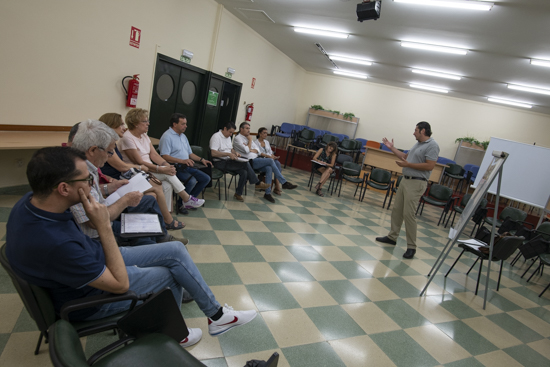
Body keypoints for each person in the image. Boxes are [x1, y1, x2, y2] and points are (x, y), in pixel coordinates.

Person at [5, 146, 257, 348]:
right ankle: (174, 333)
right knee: (171, 276)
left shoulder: (32, 201)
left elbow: (82, 231)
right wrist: (104, 226)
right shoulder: (57, 244)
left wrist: (104, 191)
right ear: (63, 188)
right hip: (90, 299)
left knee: (176, 251)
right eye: (87, 180)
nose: (92, 184)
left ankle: (217, 316)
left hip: (95, 259)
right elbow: (120, 285)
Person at [70, 120, 187, 245]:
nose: (109, 157)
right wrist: (125, 200)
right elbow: (94, 222)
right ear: (93, 150)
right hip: (99, 233)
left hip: (104, 214)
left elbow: (92, 192)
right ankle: (156, 243)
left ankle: (161, 237)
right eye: (109, 152)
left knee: (149, 202)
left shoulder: (86, 167)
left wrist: (109, 187)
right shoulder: (79, 175)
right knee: (149, 235)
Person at [97, 113, 184, 230]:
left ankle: (158, 223)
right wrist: (140, 167)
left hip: (119, 179)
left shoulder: (113, 144)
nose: (124, 127)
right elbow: (122, 167)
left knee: (155, 192)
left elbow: (153, 155)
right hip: (118, 182)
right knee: (157, 186)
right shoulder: (108, 146)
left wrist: (165, 166)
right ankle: (168, 220)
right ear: (111, 127)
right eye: (121, 124)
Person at [119, 108, 204, 212]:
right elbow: (139, 162)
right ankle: (186, 199)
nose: (148, 124)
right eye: (145, 121)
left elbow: (154, 154)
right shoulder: (127, 138)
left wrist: (167, 165)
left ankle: (167, 215)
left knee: (168, 185)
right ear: (136, 123)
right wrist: (161, 169)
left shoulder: (144, 135)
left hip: (148, 170)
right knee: (168, 174)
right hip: (136, 172)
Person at [375, 121, 440, 259]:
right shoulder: (418, 144)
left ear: (423, 131)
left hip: (417, 183)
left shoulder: (433, 145)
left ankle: (412, 247)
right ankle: (392, 237)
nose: (413, 132)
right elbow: (405, 157)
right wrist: (392, 148)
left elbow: (430, 166)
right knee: (397, 210)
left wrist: (409, 164)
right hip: (405, 180)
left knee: (409, 214)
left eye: (416, 130)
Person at [233, 122, 297, 203]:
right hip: (249, 162)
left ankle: (267, 193)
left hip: (256, 159)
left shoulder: (248, 137)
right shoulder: (238, 138)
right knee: (270, 160)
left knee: (269, 168)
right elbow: (246, 150)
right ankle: (283, 182)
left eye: (249, 128)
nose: (249, 130)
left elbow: (258, 150)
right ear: (241, 129)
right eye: (247, 128)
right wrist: (250, 142)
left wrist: (250, 148)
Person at [209, 122, 270, 202]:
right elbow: (213, 153)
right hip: (220, 162)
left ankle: (238, 193)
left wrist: (234, 153)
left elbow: (231, 149)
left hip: (229, 161)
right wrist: (228, 154)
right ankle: (257, 183)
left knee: (244, 172)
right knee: (245, 163)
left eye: (232, 132)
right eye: (230, 132)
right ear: (224, 129)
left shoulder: (227, 136)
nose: (231, 134)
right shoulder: (216, 137)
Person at [159, 113, 212, 199]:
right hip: (175, 167)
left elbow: (190, 154)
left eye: (186, 124)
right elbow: (165, 156)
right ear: (174, 124)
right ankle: (182, 203)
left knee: (206, 178)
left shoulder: (183, 136)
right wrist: (182, 161)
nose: (186, 126)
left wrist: (202, 159)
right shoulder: (167, 136)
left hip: (186, 166)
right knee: (192, 181)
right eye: (183, 124)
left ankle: (190, 200)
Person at [253, 127, 282, 195]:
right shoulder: (255, 143)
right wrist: (269, 156)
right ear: (260, 134)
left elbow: (270, 151)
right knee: (274, 164)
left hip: (269, 159)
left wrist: (273, 156)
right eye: (264, 133)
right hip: (261, 160)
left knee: (278, 163)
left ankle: (276, 183)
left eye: (266, 133)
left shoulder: (267, 142)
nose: (266, 134)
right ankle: (277, 185)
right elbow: (259, 153)